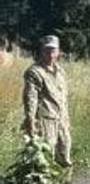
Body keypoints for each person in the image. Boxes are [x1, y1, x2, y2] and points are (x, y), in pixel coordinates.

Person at [22, 34, 72, 170]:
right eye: (47, 50)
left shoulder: (60, 71)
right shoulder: (34, 72)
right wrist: (30, 120)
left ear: (58, 52)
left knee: (65, 156)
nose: (50, 54)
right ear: (42, 51)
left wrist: (67, 119)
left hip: (62, 119)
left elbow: (63, 97)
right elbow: (30, 98)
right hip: (45, 121)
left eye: (53, 50)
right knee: (45, 158)